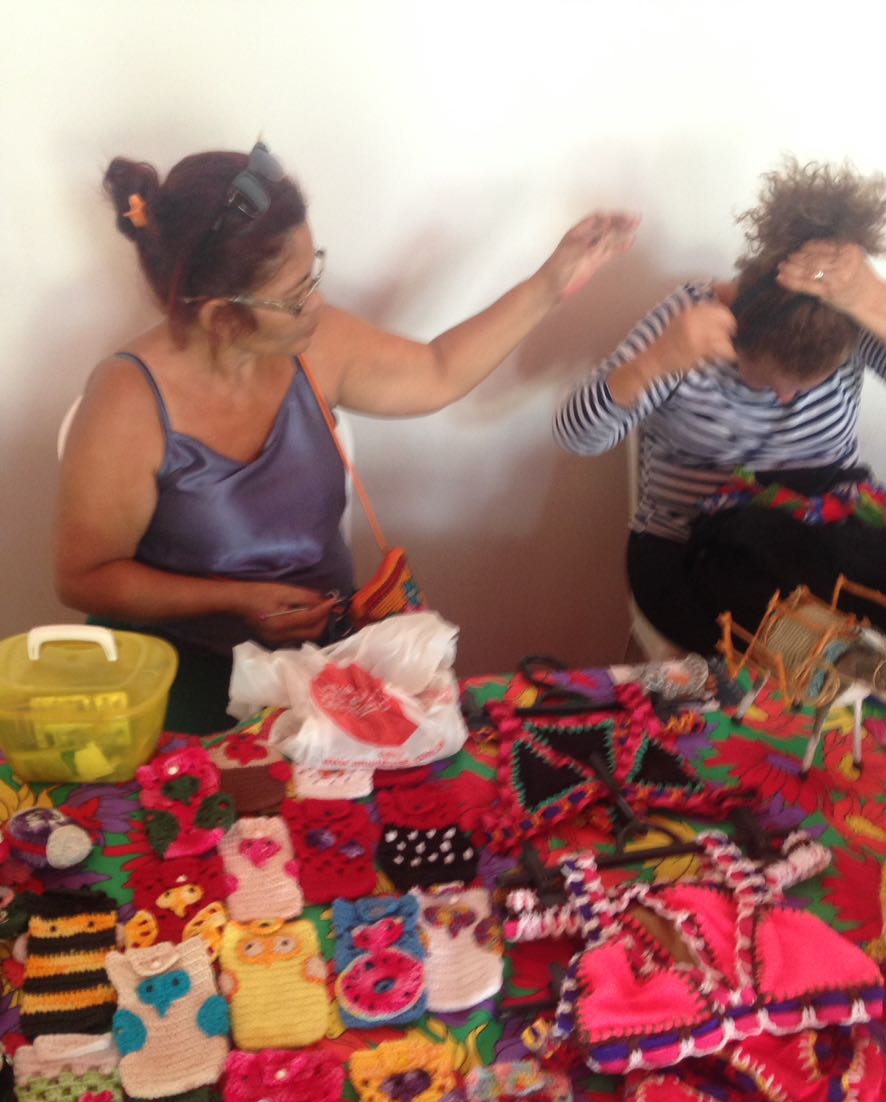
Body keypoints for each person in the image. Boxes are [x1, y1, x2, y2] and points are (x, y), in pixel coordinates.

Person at [55, 142, 638, 731]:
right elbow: (85, 576)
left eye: (314, 273)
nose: (319, 303)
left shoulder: (315, 343)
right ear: (222, 319)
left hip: (321, 667)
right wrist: (235, 599)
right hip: (188, 682)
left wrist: (551, 281)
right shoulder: (127, 402)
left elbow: (438, 371)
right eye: (296, 294)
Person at [554, 159, 886, 655]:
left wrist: (873, 297)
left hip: (824, 523)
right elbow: (577, 435)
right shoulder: (690, 323)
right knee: (776, 631)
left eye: (807, 387)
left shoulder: (847, 316)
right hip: (697, 544)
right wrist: (655, 363)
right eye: (766, 381)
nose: (785, 400)